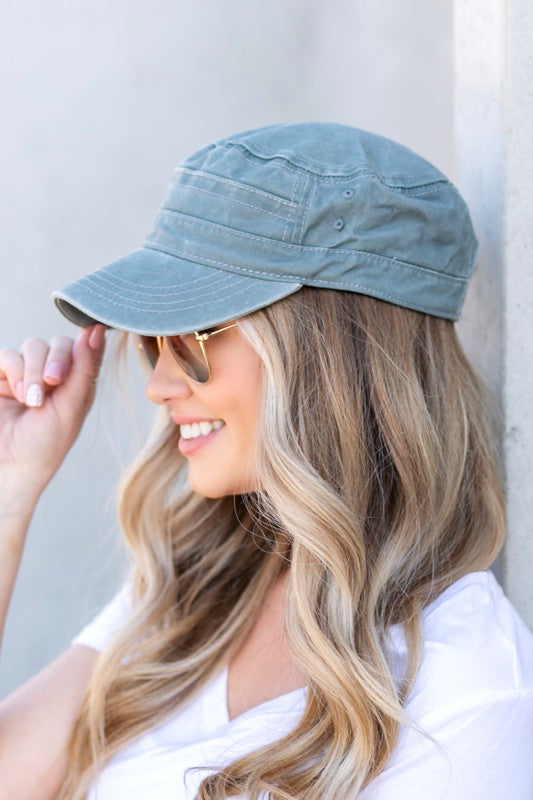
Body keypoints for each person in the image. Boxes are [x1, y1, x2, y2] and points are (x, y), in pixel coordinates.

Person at [0, 122, 532, 800]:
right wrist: (10, 493)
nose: (159, 386)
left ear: (328, 353)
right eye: (149, 342)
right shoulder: (188, 595)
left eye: (188, 336)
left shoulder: (466, 692)